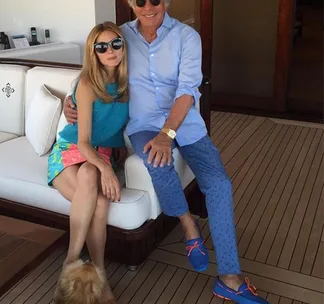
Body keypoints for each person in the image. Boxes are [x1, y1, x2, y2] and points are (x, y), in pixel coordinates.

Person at [63, 1, 268, 303]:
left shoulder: (187, 37)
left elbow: (187, 90)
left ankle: (229, 276)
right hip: (144, 124)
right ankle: (188, 225)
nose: (148, 7)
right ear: (131, 4)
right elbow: (96, 67)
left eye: (154, 0)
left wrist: (167, 133)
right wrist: (71, 100)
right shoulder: (120, 37)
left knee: (220, 184)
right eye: (139, 1)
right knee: (158, 163)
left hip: (185, 125)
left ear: (166, 1)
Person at [48, 21, 129, 303]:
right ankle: (72, 261)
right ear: (93, 52)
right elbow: (82, 142)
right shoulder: (86, 83)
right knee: (94, 183)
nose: (110, 51)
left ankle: (92, 271)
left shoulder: (130, 82)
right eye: (102, 47)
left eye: (116, 43)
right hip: (72, 150)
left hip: (101, 153)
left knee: (99, 194)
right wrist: (106, 168)